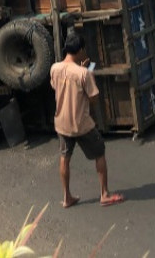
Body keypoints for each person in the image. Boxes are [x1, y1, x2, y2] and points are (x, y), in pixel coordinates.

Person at [50, 32, 125, 208]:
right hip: (81, 123)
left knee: (64, 157)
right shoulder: (84, 73)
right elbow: (93, 97)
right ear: (81, 50)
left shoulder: (55, 68)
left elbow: (57, 86)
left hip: (61, 122)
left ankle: (67, 196)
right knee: (99, 152)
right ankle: (104, 194)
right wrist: (87, 71)